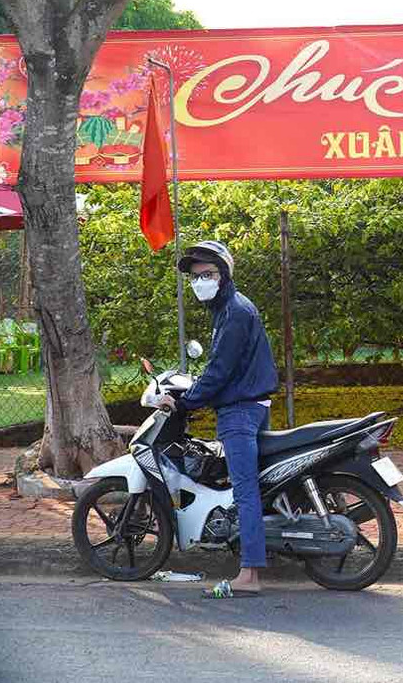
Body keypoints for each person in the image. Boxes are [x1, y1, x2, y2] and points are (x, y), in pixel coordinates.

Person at [159, 240, 278, 599]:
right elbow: (220, 369)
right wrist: (193, 393)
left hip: (240, 412)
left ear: (224, 275)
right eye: (195, 277)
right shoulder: (227, 310)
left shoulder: (235, 312)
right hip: (246, 405)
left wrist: (184, 403)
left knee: (245, 490)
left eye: (207, 274)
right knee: (253, 486)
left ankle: (251, 573)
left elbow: (220, 373)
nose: (200, 282)